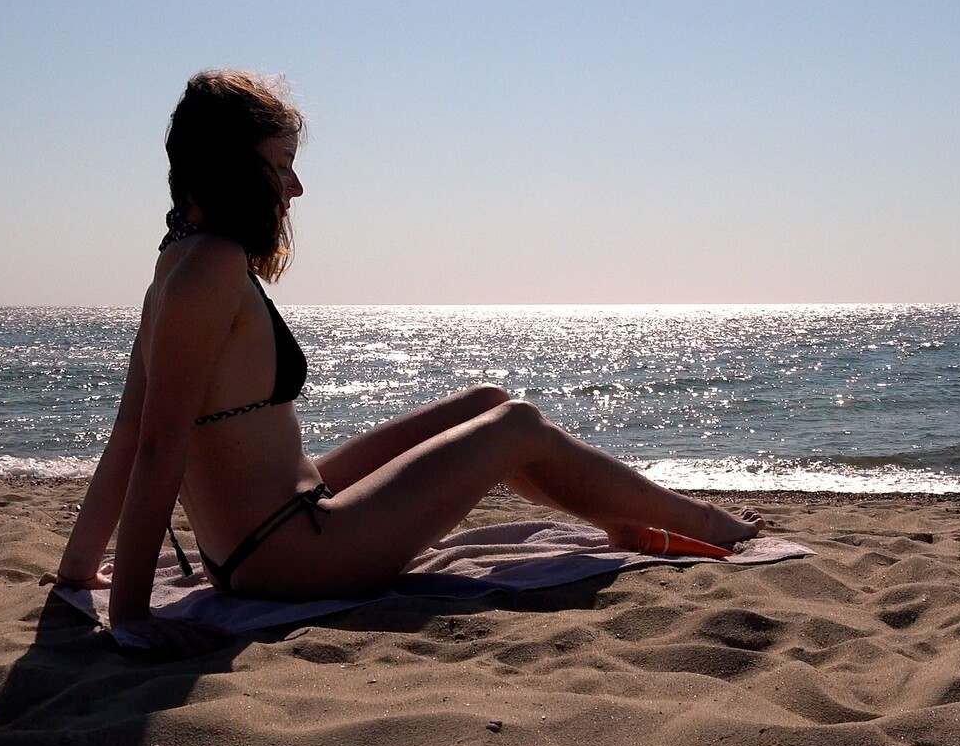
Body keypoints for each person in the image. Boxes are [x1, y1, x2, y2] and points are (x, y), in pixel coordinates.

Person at [54, 70, 767, 649]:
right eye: (282, 167)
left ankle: (621, 519)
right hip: (290, 554)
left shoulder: (178, 263)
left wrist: (80, 568)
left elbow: (128, 431)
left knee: (486, 404)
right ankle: (701, 523)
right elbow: (156, 443)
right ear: (236, 168)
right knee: (517, 425)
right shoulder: (210, 268)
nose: (295, 190)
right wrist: (132, 612)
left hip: (283, 524)